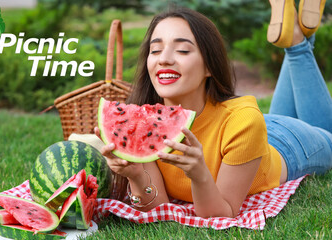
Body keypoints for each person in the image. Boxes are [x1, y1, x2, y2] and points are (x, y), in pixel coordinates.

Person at [94, 0, 332, 218]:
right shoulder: (145, 125)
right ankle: (295, 37)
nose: (163, 59)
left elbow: (222, 213)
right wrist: (135, 174)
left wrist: (199, 175)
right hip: (251, 134)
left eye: (183, 50)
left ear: (209, 66)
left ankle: (298, 44)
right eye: (155, 50)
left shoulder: (244, 121)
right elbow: (158, 210)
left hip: (289, 145)